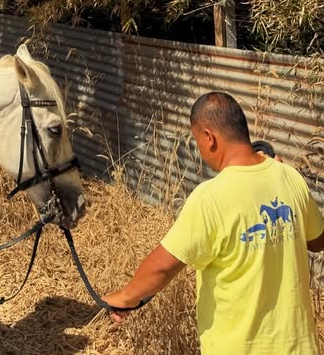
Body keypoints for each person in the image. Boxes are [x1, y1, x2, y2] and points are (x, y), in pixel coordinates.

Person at [104, 92, 324, 354]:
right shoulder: (290, 177)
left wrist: (124, 298)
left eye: (197, 142)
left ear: (209, 138)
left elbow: (163, 268)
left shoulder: (210, 198)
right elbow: (317, 241)